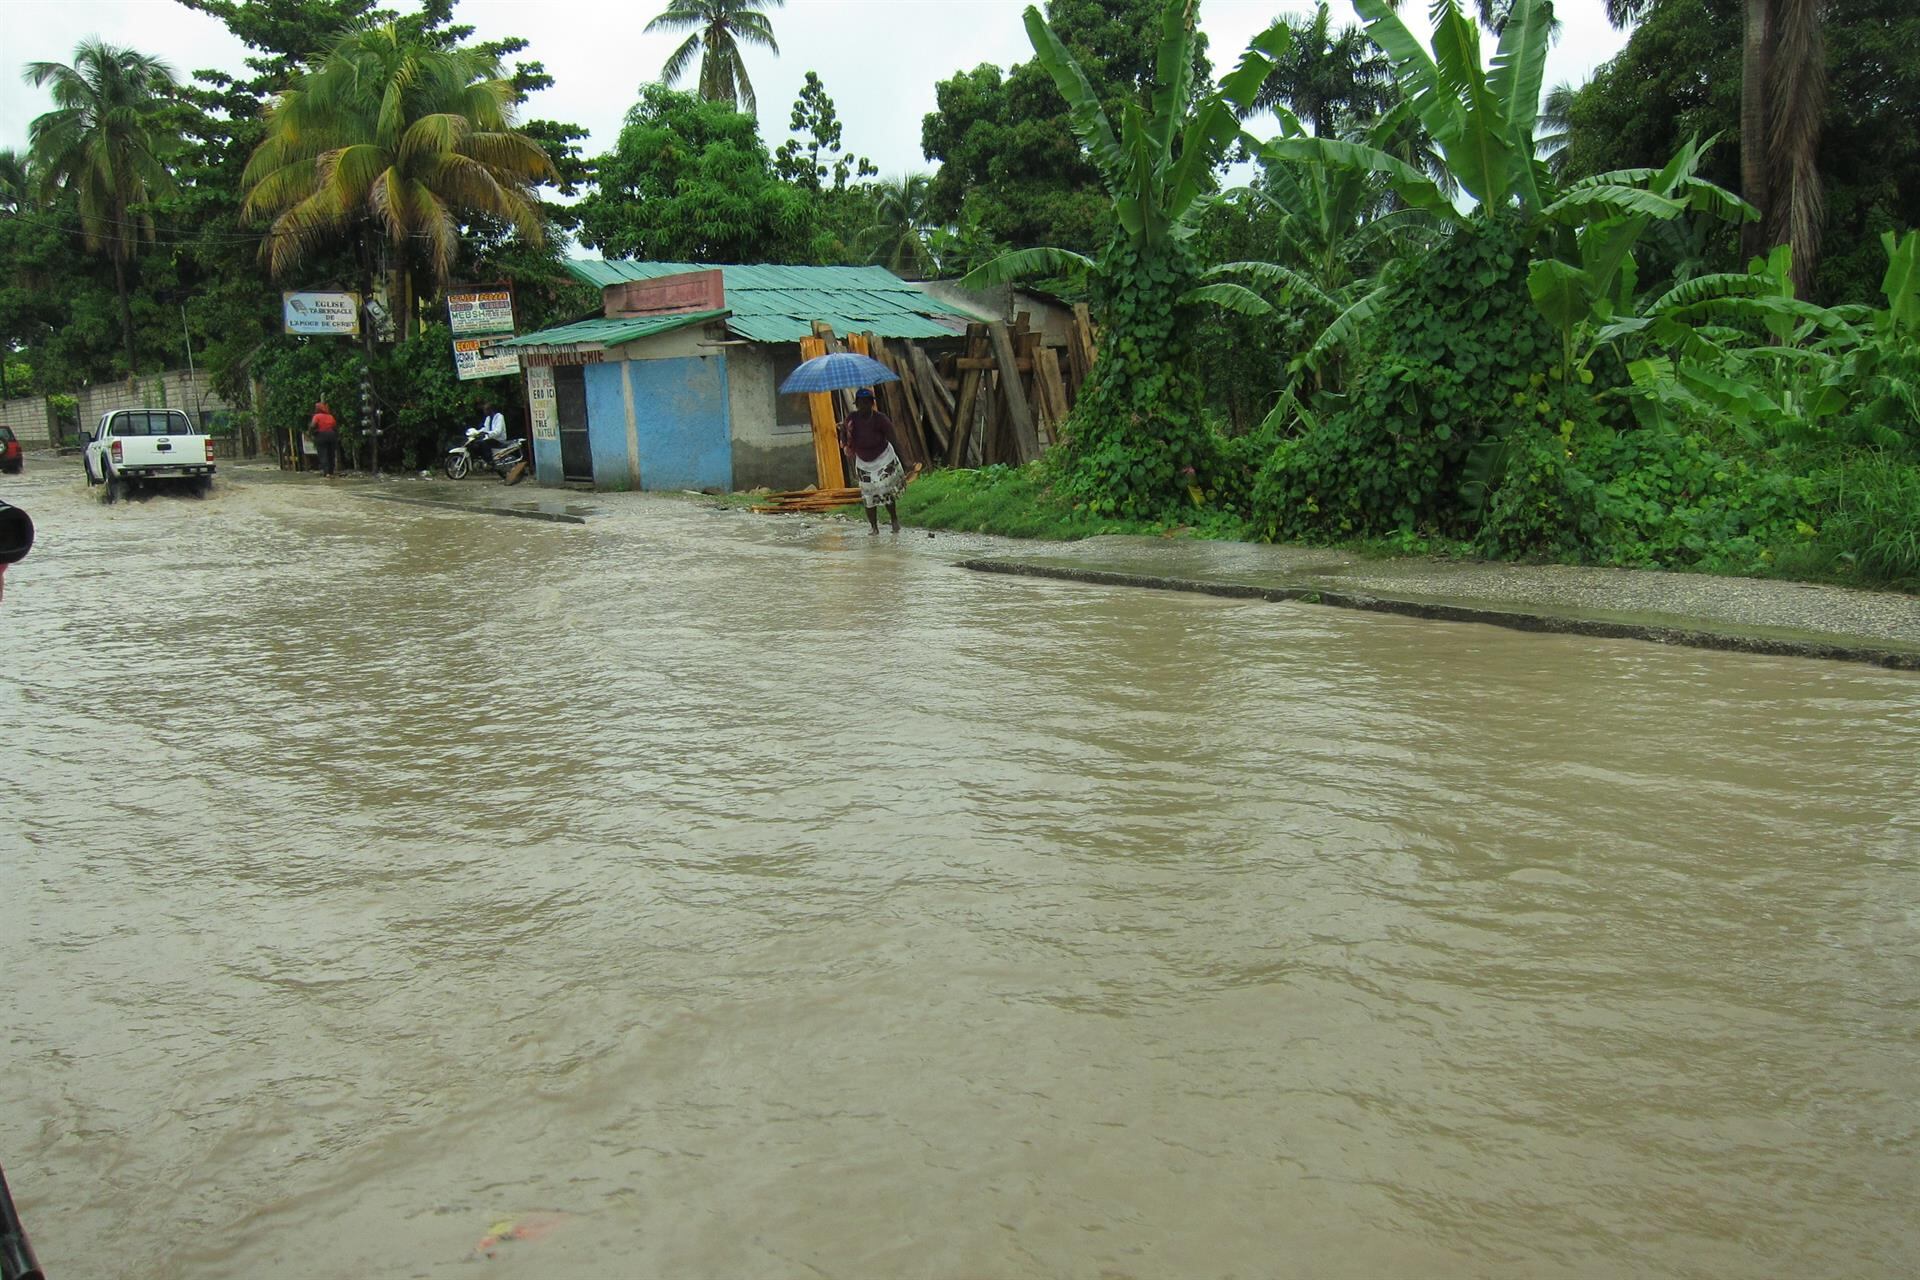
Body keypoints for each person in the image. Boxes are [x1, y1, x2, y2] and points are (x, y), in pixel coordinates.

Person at [839, 387, 906, 534]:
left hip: (883, 458)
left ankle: (894, 519)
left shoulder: (880, 419)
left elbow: (893, 439)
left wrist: (903, 460)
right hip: (863, 462)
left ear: (872, 403)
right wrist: (844, 435)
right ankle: (874, 526)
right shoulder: (851, 419)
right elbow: (845, 437)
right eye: (861, 403)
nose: (864, 406)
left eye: (867, 402)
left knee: (886, 490)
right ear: (857, 404)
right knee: (868, 495)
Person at [470, 401, 507, 469]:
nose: (484, 412)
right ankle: (482, 460)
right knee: (476, 443)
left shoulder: (499, 417)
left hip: (498, 439)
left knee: (484, 443)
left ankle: (490, 461)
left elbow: (498, 431)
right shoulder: (488, 418)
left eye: (485, 410)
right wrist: (476, 432)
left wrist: (487, 434)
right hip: (490, 438)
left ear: (490, 410)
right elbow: (485, 428)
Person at [309, 400, 338, 477]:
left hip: (321, 435)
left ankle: (326, 473)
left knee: (323, 454)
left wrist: (312, 433)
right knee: (331, 454)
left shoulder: (317, 416)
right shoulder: (330, 416)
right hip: (331, 435)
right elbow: (335, 427)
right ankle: (331, 472)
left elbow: (313, 426)